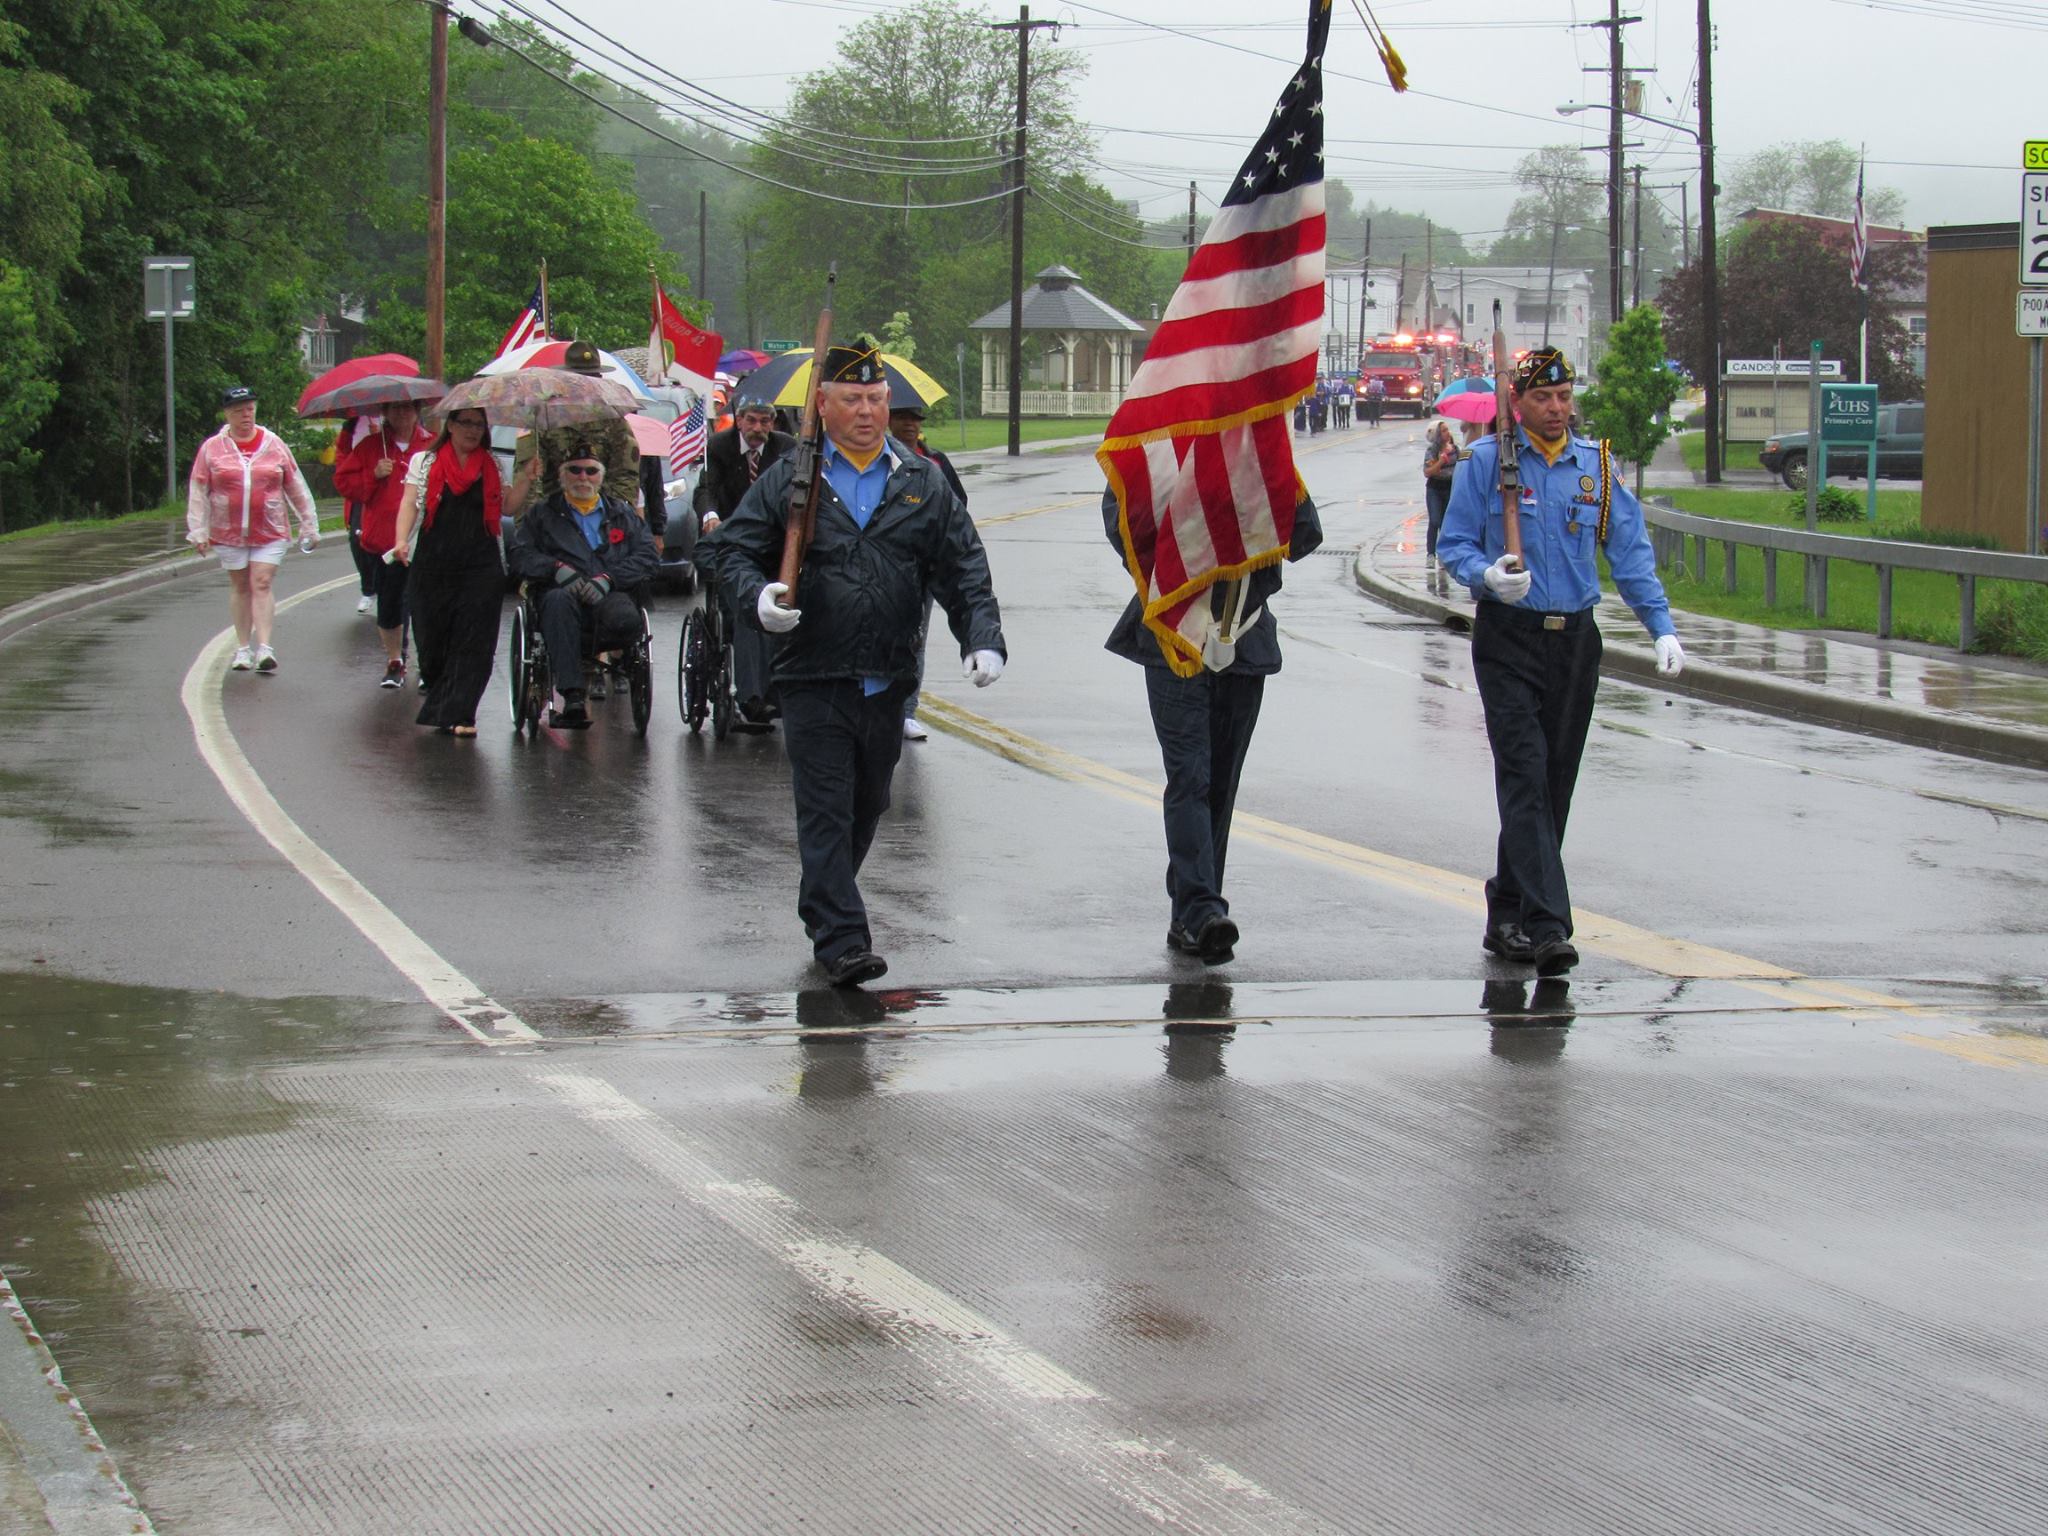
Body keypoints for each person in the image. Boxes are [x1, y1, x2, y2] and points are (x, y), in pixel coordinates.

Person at [706, 338, 1006, 988]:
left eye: (875, 398)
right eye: (852, 399)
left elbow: (962, 566)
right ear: (824, 404)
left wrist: (981, 635)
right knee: (825, 808)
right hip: (814, 676)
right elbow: (728, 553)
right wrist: (757, 597)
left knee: (867, 805)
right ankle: (841, 938)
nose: (868, 411)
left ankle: (825, 899)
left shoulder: (921, 481)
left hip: (888, 680)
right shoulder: (791, 481)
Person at [1437, 346, 1687, 978]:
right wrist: (1488, 575)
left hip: (1573, 640)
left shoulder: (1594, 469)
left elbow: (1629, 554)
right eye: (1544, 398)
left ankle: (1507, 914)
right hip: (1509, 637)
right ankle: (1549, 925)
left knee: (1552, 785)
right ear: (1517, 402)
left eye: (1565, 397)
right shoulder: (1487, 464)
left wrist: (1660, 626)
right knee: (1523, 773)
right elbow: (1455, 543)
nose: (1557, 409)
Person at [1102, 485, 1323, 966]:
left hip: (1242, 635)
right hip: (1172, 632)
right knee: (1191, 776)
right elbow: (1122, 522)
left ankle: (1193, 908)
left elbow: (1306, 537)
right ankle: (1201, 909)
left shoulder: (1264, 458)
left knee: (1220, 781)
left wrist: (1279, 479)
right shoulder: (1160, 439)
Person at [391, 406, 537, 736]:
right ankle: (447, 700)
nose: (473, 430)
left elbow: (508, 507)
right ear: (451, 426)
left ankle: (463, 714)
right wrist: (400, 540)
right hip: (432, 562)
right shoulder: (425, 462)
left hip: (480, 565)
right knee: (432, 639)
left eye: (479, 424)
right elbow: (409, 503)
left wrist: (526, 477)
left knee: (474, 640)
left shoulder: (491, 465)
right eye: (466, 423)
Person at [507, 437, 660, 728]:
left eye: (590, 471)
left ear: (601, 477)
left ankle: (620, 666)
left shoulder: (622, 514)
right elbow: (519, 554)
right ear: (562, 476)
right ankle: (574, 696)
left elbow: (647, 557)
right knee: (556, 602)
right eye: (575, 470)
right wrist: (555, 568)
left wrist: (609, 578)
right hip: (562, 594)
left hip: (608, 592)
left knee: (627, 618)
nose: (583, 477)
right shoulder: (542, 514)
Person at [185, 384, 319, 673]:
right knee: (241, 585)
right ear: (227, 414)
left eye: (249, 409)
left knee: (261, 582)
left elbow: (295, 485)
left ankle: (265, 648)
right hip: (228, 530)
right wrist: (197, 529)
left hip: (269, 529)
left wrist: (309, 523)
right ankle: (243, 648)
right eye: (238, 411)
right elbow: (198, 490)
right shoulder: (212, 448)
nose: (245, 415)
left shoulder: (274, 444)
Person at [696, 399, 796, 724]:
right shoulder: (719, 447)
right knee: (749, 607)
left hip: (772, 543)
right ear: (738, 420)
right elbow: (706, 489)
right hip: (731, 541)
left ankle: (785, 690)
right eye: (752, 421)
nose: (758, 429)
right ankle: (753, 696)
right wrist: (710, 515)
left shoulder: (786, 449)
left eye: (765, 421)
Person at [334, 397, 434, 688]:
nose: (402, 413)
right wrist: (373, 475)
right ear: (386, 413)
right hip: (384, 542)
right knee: (390, 606)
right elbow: (344, 483)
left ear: (417, 412)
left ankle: (428, 665)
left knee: (424, 606)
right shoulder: (370, 447)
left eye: (408, 408)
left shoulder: (432, 446)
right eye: (396, 408)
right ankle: (395, 660)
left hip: (422, 542)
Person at [887, 401, 968, 742]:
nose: (910, 424)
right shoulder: (881, 462)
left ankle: (906, 711)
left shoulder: (936, 464)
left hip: (922, 568)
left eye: (916, 419)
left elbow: (957, 508)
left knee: (914, 639)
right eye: (903, 417)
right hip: (884, 565)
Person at [535, 340, 641, 507]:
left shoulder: (614, 422)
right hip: (554, 515)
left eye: (591, 378)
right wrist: (534, 523)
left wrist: (616, 518)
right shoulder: (547, 418)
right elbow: (532, 479)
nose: (584, 385)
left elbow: (625, 476)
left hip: (602, 514)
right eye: (578, 379)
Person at [332, 415, 380, 614]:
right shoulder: (352, 425)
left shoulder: (394, 417)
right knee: (357, 539)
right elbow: (342, 457)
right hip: (362, 486)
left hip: (390, 484)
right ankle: (368, 589)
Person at [1422, 419, 1459, 564]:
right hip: (1435, 488)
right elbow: (1428, 471)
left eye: (1447, 429)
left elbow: (1462, 466)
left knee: (1446, 522)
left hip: (1450, 487)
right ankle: (1430, 553)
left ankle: (1443, 553)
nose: (1447, 433)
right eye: (1443, 431)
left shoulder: (1455, 449)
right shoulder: (1432, 451)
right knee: (1435, 520)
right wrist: (1442, 460)